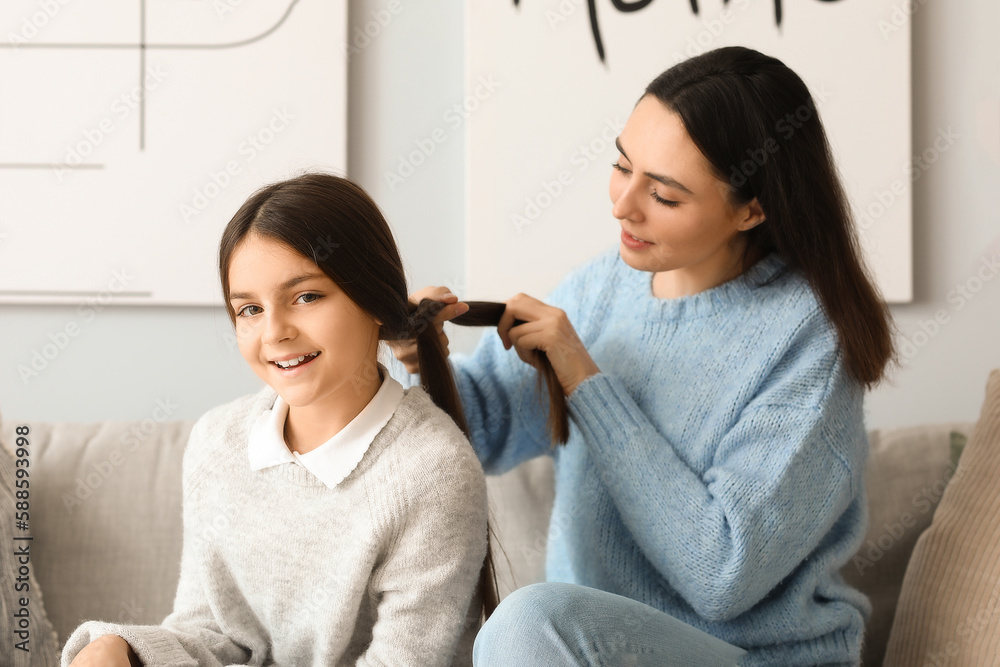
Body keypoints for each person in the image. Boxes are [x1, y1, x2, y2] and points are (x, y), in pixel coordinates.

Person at [392, 46, 895, 666]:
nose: (623, 205)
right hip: (602, 655)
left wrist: (587, 382)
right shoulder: (600, 288)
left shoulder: (810, 341)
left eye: (663, 194)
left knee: (526, 623)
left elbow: (721, 572)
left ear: (751, 208)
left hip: (757, 659)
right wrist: (418, 357)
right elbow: (487, 431)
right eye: (622, 166)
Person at [63, 174, 495, 667]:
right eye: (249, 309)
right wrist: (121, 650)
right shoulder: (217, 441)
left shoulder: (433, 471)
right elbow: (212, 630)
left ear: (374, 298)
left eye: (306, 297)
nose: (274, 333)